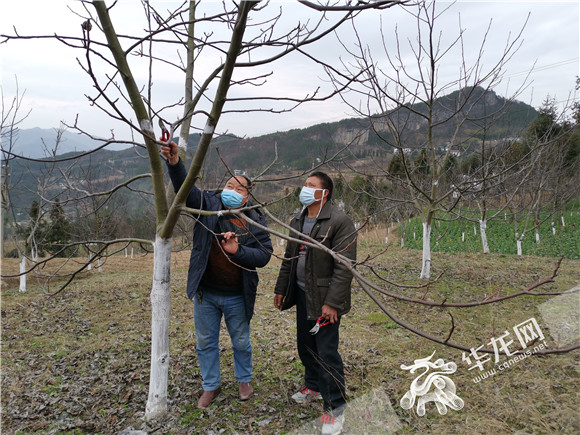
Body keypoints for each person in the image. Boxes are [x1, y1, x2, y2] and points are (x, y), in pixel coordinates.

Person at [161, 140, 273, 409]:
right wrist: (175, 164)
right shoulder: (208, 204)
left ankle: (244, 380)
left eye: (238, 188)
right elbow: (186, 190)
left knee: (242, 342)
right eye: (229, 185)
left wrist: (237, 251)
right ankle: (211, 385)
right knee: (205, 342)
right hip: (206, 293)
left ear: (246, 197)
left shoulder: (254, 219)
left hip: (237, 295)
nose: (231, 190)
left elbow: (264, 255)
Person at [274, 171, 356, 435]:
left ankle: (335, 408)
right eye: (305, 184)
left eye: (311, 185)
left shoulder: (339, 222)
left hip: (323, 300)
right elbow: (290, 257)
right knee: (305, 345)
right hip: (301, 294)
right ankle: (313, 385)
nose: (305, 188)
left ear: (324, 193)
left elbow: (344, 268)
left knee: (326, 352)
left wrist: (332, 303)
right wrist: (281, 288)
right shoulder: (298, 219)